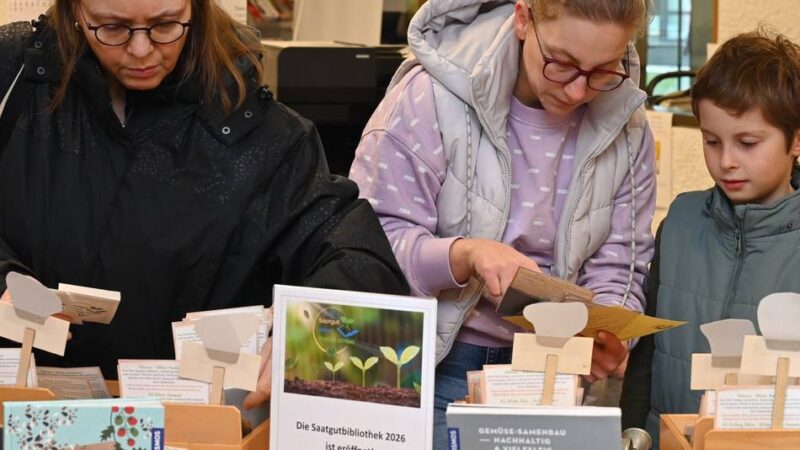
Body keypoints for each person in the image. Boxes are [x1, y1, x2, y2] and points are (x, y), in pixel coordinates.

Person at [0, 0, 408, 408]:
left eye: (164, 26)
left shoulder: (262, 134)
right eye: (112, 28)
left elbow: (356, 257)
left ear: (196, 10)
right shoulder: (17, 81)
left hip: (194, 425)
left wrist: (308, 332)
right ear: (75, 12)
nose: (141, 50)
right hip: (20, 410)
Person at [348, 0, 655, 447]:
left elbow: (622, 259)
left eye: (604, 70)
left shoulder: (627, 126)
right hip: (434, 368)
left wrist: (608, 333)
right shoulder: (429, 97)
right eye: (562, 65)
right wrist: (463, 254)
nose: (576, 93)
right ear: (523, 18)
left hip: (554, 374)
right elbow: (367, 247)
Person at [620, 29, 800, 445]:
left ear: (796, 140)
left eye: (748, 143)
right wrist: (630, 432)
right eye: (711, 141)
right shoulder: (680, 221)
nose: (726, 161)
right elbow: (645, 356)